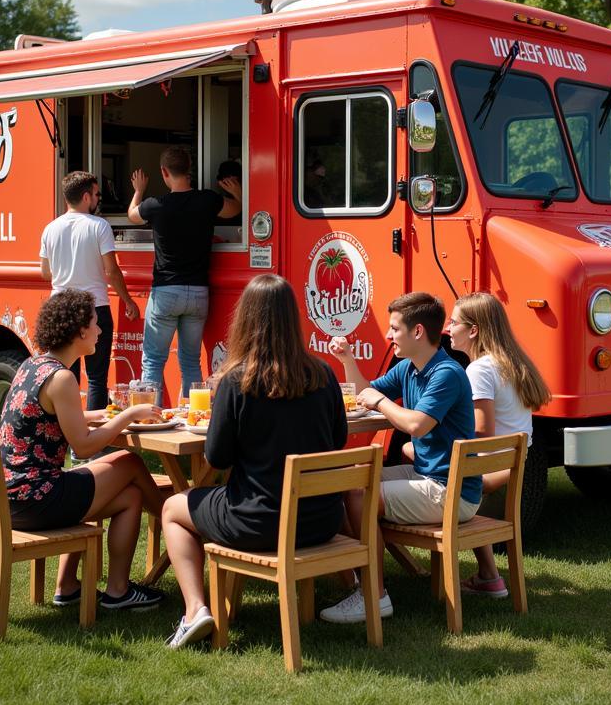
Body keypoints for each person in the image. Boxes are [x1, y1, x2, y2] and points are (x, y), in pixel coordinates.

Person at [160, 274, 348, 648]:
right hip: (321, 520)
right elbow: (338, 439)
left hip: (260, 523)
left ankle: (196, 610)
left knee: (172, 507)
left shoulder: (236, 382)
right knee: (195, 502)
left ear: (244, 320)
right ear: (294, 318)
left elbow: (216, 457)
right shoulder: (323, 374)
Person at [0, 289, 167, 610]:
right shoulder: (61, 378)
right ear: (79, 331)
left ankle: (89, 589)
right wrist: (129, 415)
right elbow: (83, 445)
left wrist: (102, 415)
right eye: (95, 323)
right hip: (39, 500)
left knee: (130, 497)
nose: (100, 330)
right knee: (129, 462)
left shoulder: (34, 365)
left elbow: (58, 418)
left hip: (17, 500)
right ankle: (174, 522)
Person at [320, 291, 481, 624]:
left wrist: (380, 402)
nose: (389, 335)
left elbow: (416, 425)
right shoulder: (409, 368)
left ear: (418, 332)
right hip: (429, 477)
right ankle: (359, 582)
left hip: (449, 491)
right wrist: (348, 360)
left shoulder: (446, 374)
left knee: (355, 492)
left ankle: (373, 596)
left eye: (395, 328)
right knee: (347, 480)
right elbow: (366, 391)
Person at [445, 291, 551, 596]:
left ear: (473, 330)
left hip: (493, 467)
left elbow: (481, 433)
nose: (448, 329)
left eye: (454, 323)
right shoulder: (512, 361)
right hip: (516, 463)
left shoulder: (478, 369)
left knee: (420, 461)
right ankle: (488, 576)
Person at [128, 147, 241, 401]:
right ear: (189, 170)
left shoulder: (155, 205)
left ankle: (150, 417)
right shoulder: (208, 200)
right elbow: (234, 210)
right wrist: (238, 192)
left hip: (166, 292)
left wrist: (138, 190)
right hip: (199, 293)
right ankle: (195, 416)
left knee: (154, 361)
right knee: (191, 362)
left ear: (164, 172)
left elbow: (131, 215)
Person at [40, 170, 138, 411]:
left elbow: (45, 272)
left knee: (64, 375)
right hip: (95, 308)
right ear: (85, 197)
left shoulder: (50, 228)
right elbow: (112, 271)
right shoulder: (100, 226)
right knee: (96, 378)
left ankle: (67, 434)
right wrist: (128, 300)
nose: (98, 199)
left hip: (60, 309)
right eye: (96, 194)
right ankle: (93, 441)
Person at [214, 159, 243, 227]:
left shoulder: (249, 199)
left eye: (235, 181)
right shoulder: (218, 201)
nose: (231, 185)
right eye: (226, 182)